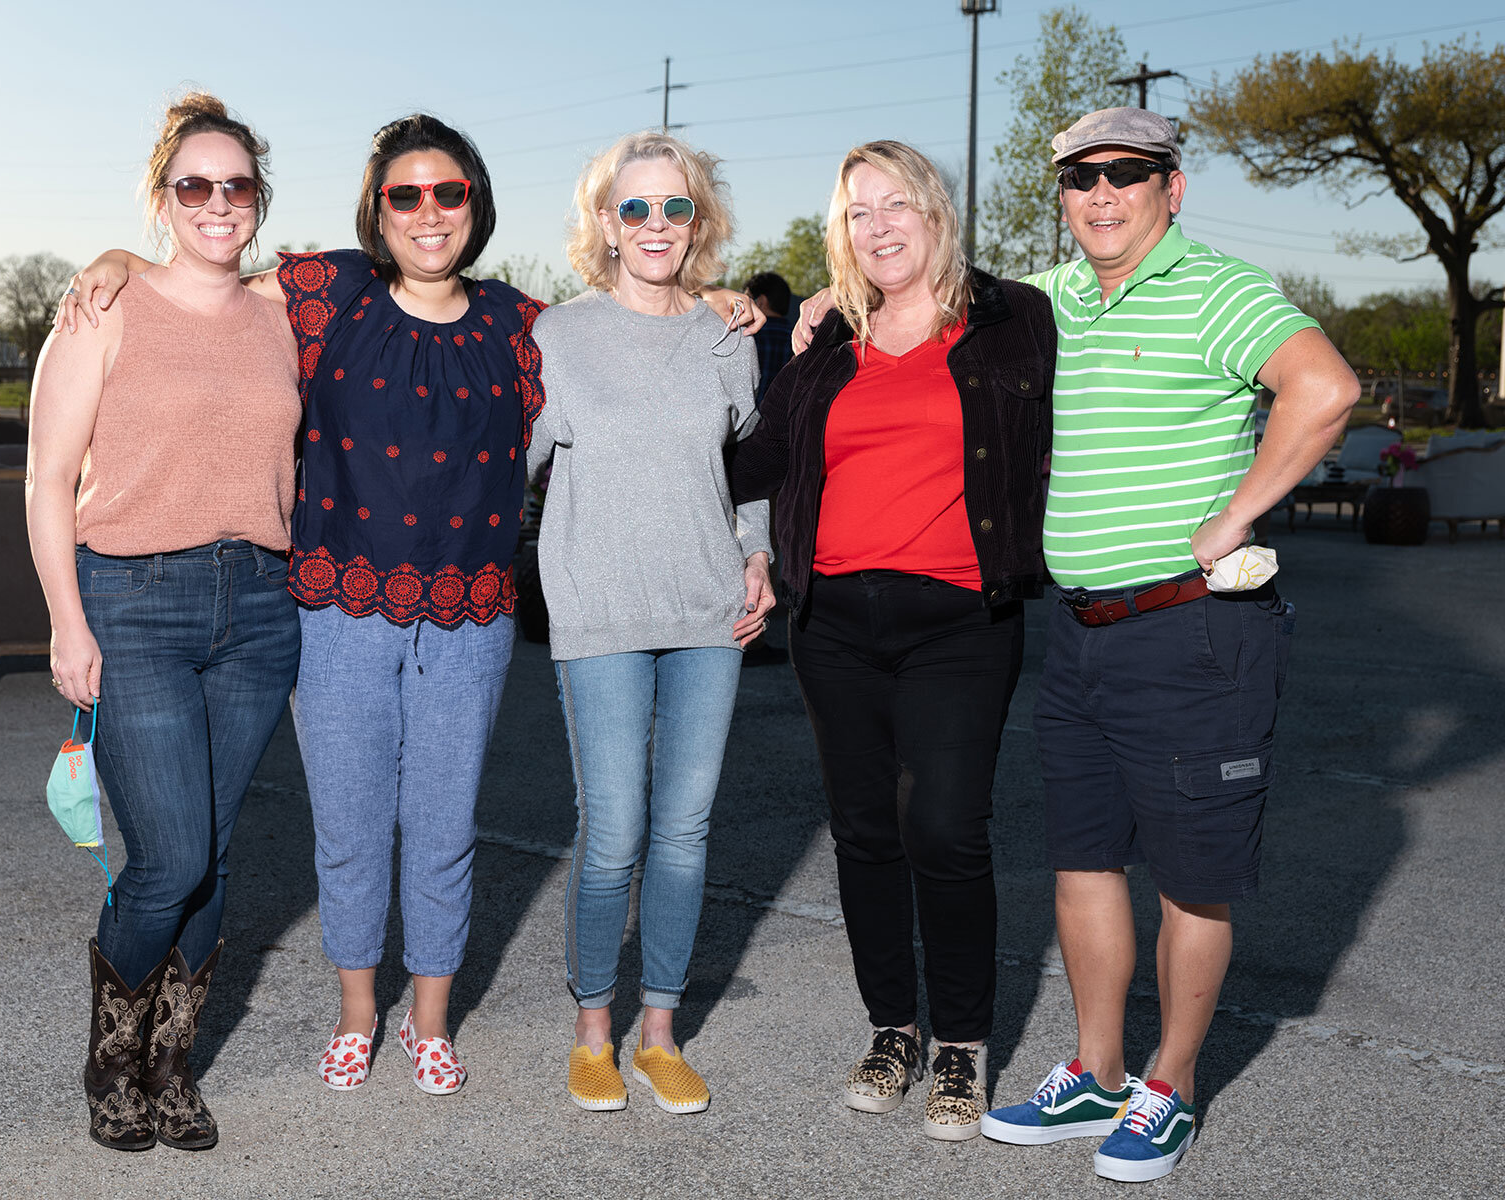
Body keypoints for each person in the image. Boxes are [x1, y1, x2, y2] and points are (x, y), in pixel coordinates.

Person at [54, 115, 762, 1100]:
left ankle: (429, 1023)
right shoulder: (326, 295)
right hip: (335, 617)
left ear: (475, 203)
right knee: (347, 833)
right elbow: (202, 273)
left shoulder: (527, 327)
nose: (428, 213)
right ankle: (356, 1018)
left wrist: (714, 306)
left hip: (469, 623)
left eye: (449, 193)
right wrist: (118, 258)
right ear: (377, 211)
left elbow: (639, 344)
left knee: (442, 833)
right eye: (405, 195)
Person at [973, 108, 1359, 1183]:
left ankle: (1171, 1086)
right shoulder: (1046, 302)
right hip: (1080, 633)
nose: (1100, 194)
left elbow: (1324, 389)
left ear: (1170, 189)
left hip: (1194, 633)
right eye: (1080, 178)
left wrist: (1234, 518)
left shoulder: (1221, 290)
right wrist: (794, 306)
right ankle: (1096, 1071)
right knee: (1084, 859)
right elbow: (916, 314)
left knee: (1192, 877)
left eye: (1125, 175)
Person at [731, 140, 1055, 1141]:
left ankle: (961, 1041)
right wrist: (697, 332)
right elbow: (758, 458)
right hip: (834, 622)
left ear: (937, 212)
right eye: (857, 211)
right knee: (867, 834)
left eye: (895, 203)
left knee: (946, 831)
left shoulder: (1014, 321)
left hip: (960, 618)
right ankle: (893, 1027)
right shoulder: (829, 344)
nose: (878, 225)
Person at [26, 93, 301, 1152]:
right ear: (161, 197)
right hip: (134, 602)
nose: (218, 202)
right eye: (196, 184)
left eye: (238, 184)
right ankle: (111, 1057)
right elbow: (50, 479)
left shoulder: (283, 310)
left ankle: (172, 1065)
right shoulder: (107, 308)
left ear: (259, 199)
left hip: (262, 611)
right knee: (171, 856)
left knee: (217, 855)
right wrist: (65, 621)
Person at [528, 132, 774, 1116]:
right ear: (605, 224)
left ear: (699, 220)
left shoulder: (728, 335)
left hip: (710, 612)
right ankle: (594, 1029)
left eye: (676, 208)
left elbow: (746, 465)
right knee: (616, 828)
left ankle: (660, 1032)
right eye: (636, 208)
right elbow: (511, 469)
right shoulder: (556, 336)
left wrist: (756, 552)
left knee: (683, 832)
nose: (657, 225)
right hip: (599, 612)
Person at [744, 270, 795, 400]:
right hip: (785, 418)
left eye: (747, 300)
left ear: (760, 301)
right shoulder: (799, 337)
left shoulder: (748, 335)